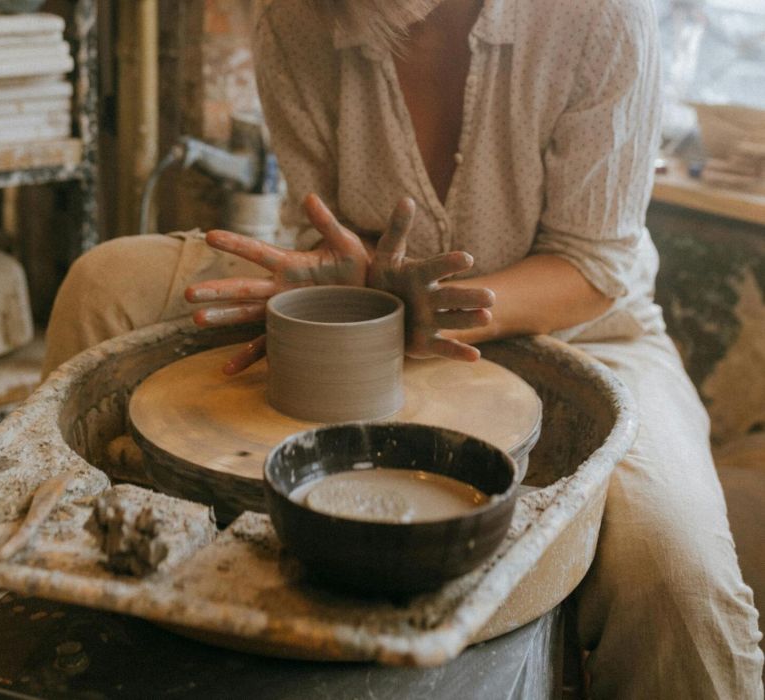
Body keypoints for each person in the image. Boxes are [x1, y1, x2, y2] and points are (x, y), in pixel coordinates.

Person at [43, 0, 764, 695]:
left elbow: (592, 267)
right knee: (106, 283)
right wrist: (350, 281)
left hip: (584, 328)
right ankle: (49, 626)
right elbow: (325, 227)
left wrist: (435, 315)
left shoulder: (598, 15)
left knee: (680, 584)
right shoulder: (297, 19)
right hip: (371, 305)